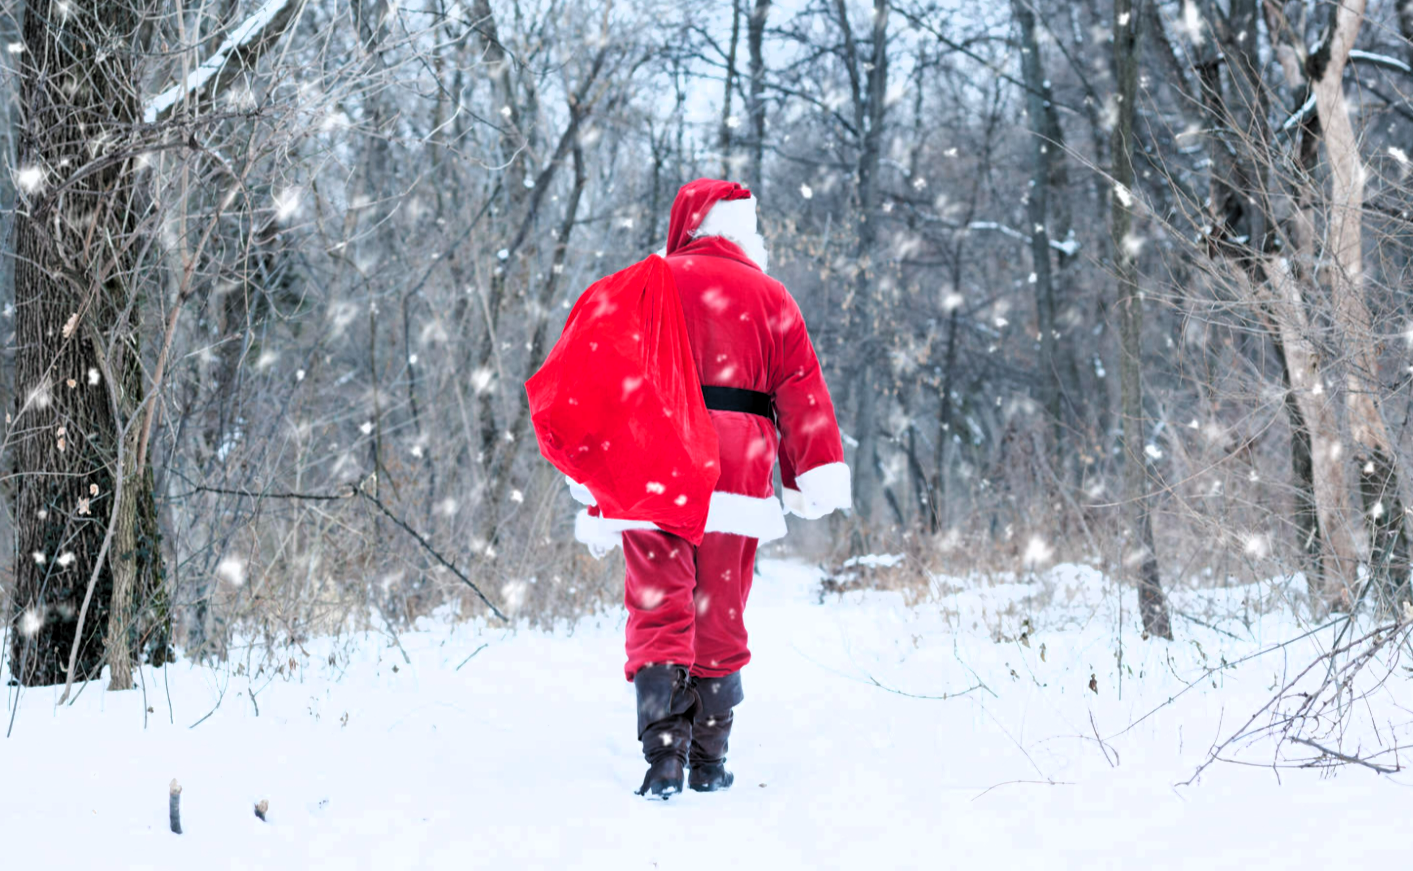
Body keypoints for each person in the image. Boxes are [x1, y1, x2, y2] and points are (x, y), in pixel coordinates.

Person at [569, 179, 851, 798]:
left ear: (687, 222)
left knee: (658, 603)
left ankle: (663, 755)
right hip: (739, 466)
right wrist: (811, 470)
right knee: (718, 610)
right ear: (742, 229)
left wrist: (592, 470)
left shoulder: (651, 283)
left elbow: (601, 373)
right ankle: (709, 756)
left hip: (658, 456)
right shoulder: (772, 296)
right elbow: (801, 388)